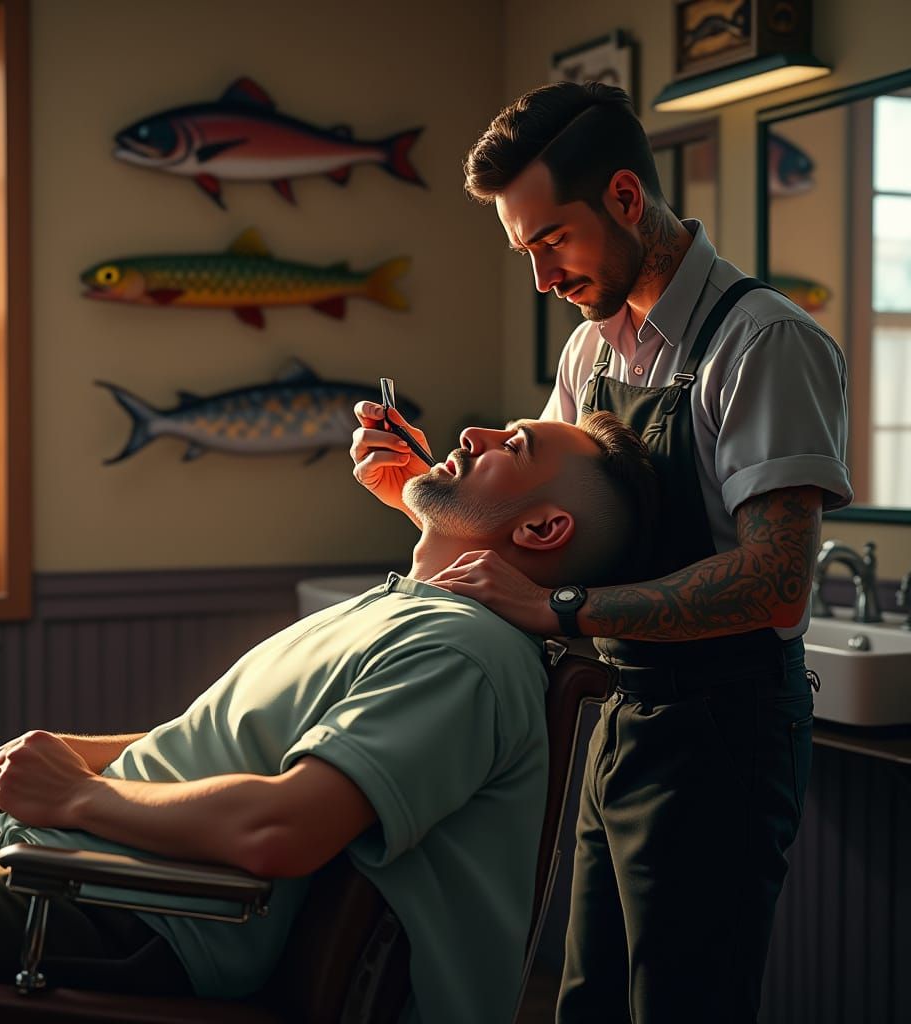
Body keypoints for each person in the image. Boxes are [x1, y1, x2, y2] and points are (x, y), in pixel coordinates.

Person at [350, 82, 852, 1024]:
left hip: (728, 732)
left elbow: (776, 585)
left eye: (553, 242)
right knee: (588, 999)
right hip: (623, 709)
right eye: (527, 252)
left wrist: (562, 612)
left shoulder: (764, 343)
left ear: (625, 197)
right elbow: (538, 533)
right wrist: (420, 491)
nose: (543, 278)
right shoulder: (590, 355)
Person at [0, 412, 655, 1024]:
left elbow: (280, 829)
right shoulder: (405, 611)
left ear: (542, 530)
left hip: (133, 915)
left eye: (511, 446)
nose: (475, 433)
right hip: (65, 867)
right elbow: (236, 746)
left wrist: (77, 795)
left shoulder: (459, 654)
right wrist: (77, 758)